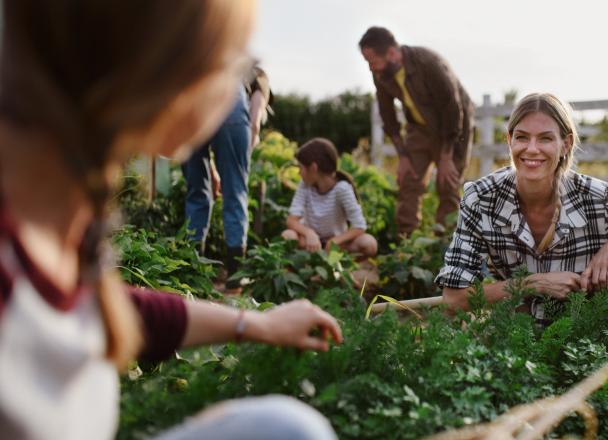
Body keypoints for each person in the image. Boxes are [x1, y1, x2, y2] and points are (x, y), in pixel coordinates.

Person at [0, 1, 340, 439]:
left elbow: (110, 309)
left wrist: (254, 323)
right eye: (230, 57)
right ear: (170, 73)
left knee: (285, 427)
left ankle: (219, 259)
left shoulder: (58, 207)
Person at [435, 93, 608, 317]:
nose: (532, 149)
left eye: (545, 139)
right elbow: (453, 298)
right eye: (522, 137)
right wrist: (534, 283)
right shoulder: (480, 199)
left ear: (565, 144)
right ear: (509, 140)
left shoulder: (599, 198)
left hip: (590, 322)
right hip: (520, 325)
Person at [359, 26, 474, 236]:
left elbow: (452, 108)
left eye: (373, 62)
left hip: (453, 128)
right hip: (419, 128)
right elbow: (388, 115)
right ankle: (407, 242)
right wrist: (402, 156)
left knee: (447, 184)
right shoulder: (381, 74)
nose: (371, 68)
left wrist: (447, 156)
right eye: (368, 63)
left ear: (392, 53)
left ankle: (446, 242)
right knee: (408, 180)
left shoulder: (428, 63)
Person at [182, 65, 270, 290]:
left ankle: (192, 271)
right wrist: (254, 126)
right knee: (235, 192)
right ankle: (235, 275)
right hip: (230, 105)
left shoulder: (196, 59)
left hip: (191, 106)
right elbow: (259, 94)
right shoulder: (249, 68)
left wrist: (209, 168)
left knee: (197, 193)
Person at [282, 138, 378, 259]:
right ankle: (307, 264)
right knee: (288, 236)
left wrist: (335, 241)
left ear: (313, 168)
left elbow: (359, 226)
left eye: (301, 168)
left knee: (369, 243)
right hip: (310, 243)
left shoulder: (342, 189)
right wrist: (309, 233)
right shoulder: (305, 185)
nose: (299, 173)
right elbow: (291, 220)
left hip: (335, 245)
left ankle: (341, 266)